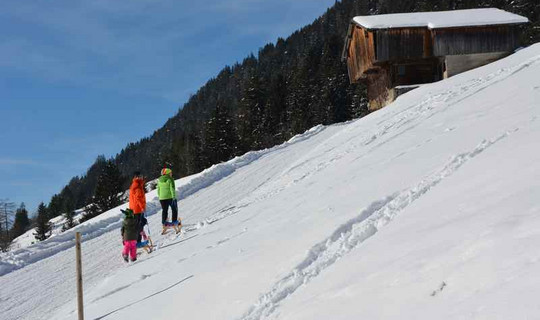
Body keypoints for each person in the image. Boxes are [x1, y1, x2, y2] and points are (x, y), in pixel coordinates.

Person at [129, 171, 146, 243]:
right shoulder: (137, 185)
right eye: (140, 176)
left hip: (135, 208)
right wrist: (142, 207)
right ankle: (137, 241)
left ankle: (137, 240)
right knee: (140, 224)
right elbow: (138, 198)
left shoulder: (136, 184)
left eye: (142, 175)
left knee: (140, 224)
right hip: (137, 209)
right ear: (137, 177)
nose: (142, 177)